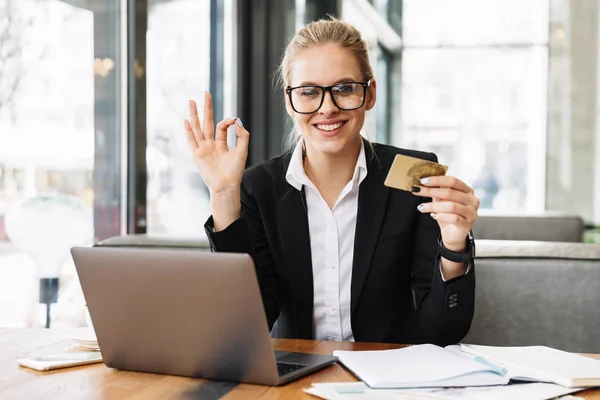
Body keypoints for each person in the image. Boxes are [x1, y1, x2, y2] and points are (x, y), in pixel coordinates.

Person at [183, 18, 480, 345]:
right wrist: (225, 195)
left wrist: (454, 246)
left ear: (370, 94)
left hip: (386, 378)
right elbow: (243, 325)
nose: (328, 108)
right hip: (297, 383)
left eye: (344, 89)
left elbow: (445, 330)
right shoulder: (258, 188)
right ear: (289, 100)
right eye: (309, 92)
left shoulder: (414, 173)